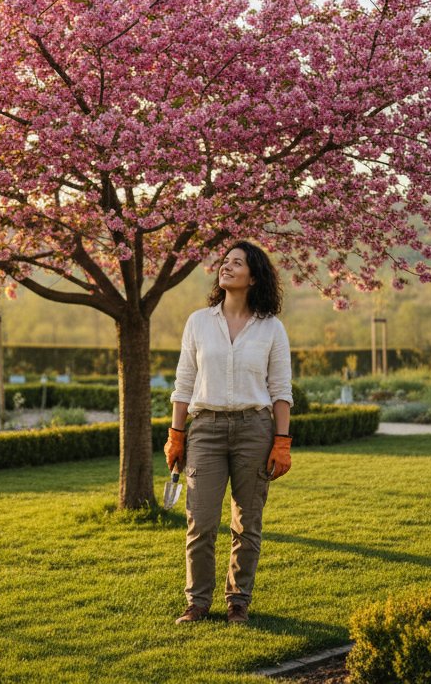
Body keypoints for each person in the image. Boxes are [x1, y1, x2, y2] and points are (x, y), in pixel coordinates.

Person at [164, 240, 293, 625]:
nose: (227, 266)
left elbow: (280, 390)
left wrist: (282, 441)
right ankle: (197, 603)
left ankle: (238, 601)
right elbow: (184, 383)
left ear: (254, 277)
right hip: (206, 429)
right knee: (201, 521)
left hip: (255, 430)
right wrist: (176, 434)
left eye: (237, 262)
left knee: (247, 523)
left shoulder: (271, 328)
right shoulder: (198, 322)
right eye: (225, 261)